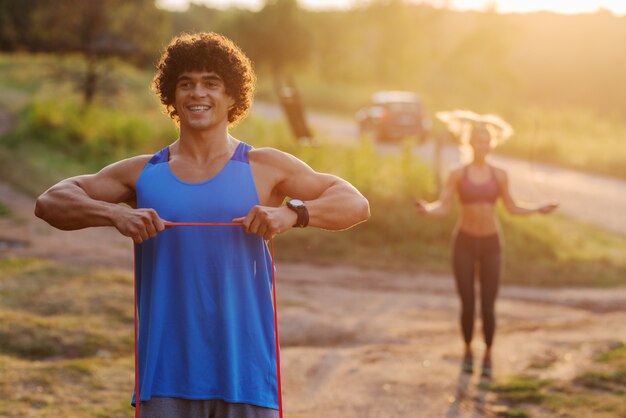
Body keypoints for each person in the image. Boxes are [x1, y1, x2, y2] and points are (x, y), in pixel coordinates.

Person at [34, 32, 370, 418]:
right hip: (165, 378)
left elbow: (355, 204)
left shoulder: (265, 166)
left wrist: (292, 213)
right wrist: (116, 214)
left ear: (232, 97)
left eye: (212, 84)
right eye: (186, 84)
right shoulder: (143, 173)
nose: (198, 93)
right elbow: (50, 202)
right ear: (172, 97)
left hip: (246, 375)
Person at [414, 111, 557, 378]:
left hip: (491, 244)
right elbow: (443, 207)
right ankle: (468, 351)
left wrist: (538, 208)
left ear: (491, 144)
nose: (482, 146)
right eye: (477, 141)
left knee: (488, 304)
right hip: (464, 244)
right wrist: (427, 210)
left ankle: (488, 355)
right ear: (470, 143)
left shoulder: (500, 175)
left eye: (486, 141)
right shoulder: (458, 174)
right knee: (467, 302)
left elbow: (513, 208)